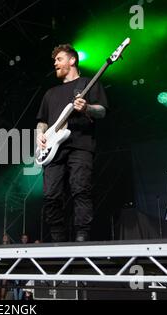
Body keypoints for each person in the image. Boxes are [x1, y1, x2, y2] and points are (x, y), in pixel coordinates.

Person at [36, 44, 108, 242]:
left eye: (59, 59)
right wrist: (39, 135)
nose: (55, 63)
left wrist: (87, 108)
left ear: (72, 60)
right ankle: (58, 239)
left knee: (80, 189)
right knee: (50, 195)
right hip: (53, 149)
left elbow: (102, 111)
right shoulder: (50, 93)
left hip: (80, 145)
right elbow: (42, 122)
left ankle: (82, 237)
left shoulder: (87, 84)